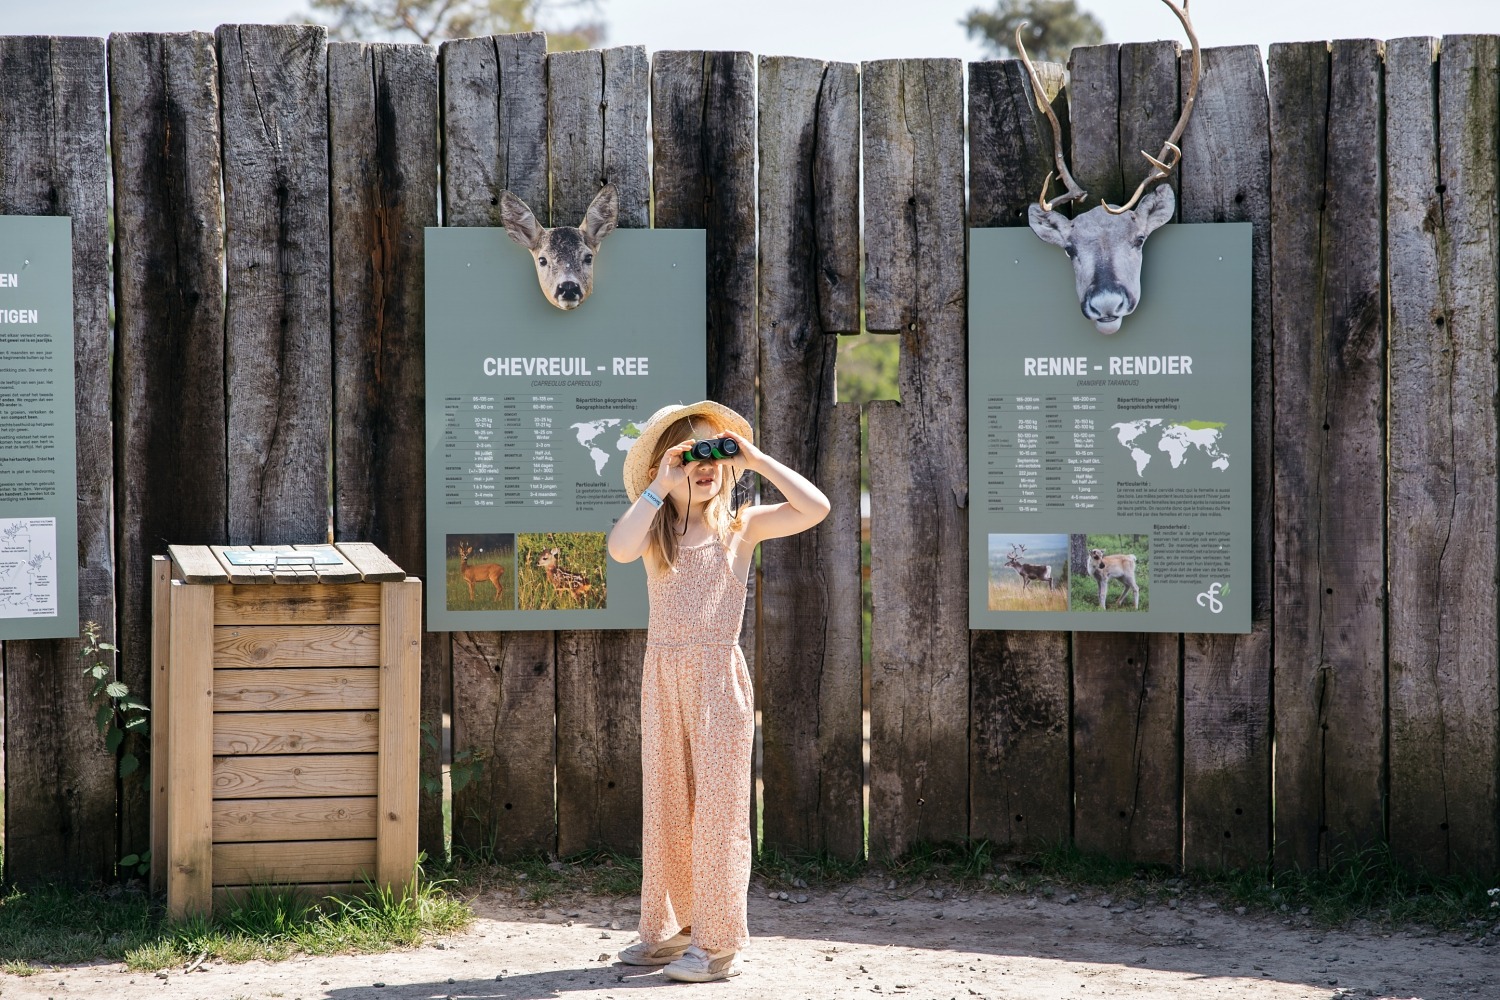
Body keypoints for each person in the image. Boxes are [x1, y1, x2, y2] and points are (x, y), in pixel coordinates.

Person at [607, 400, 830, 983]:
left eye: (716, 451)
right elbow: (619, 547)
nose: (705, 464)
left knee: (718, 816)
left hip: (717, 685)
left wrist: (755, 459)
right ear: (665, 464)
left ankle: (718, 944)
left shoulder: (741, 526)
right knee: (667, 809)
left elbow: (817, 507)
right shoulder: (655, 530)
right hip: (663, 682)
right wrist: (660, 485)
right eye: (690, 453)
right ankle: (672, 930)